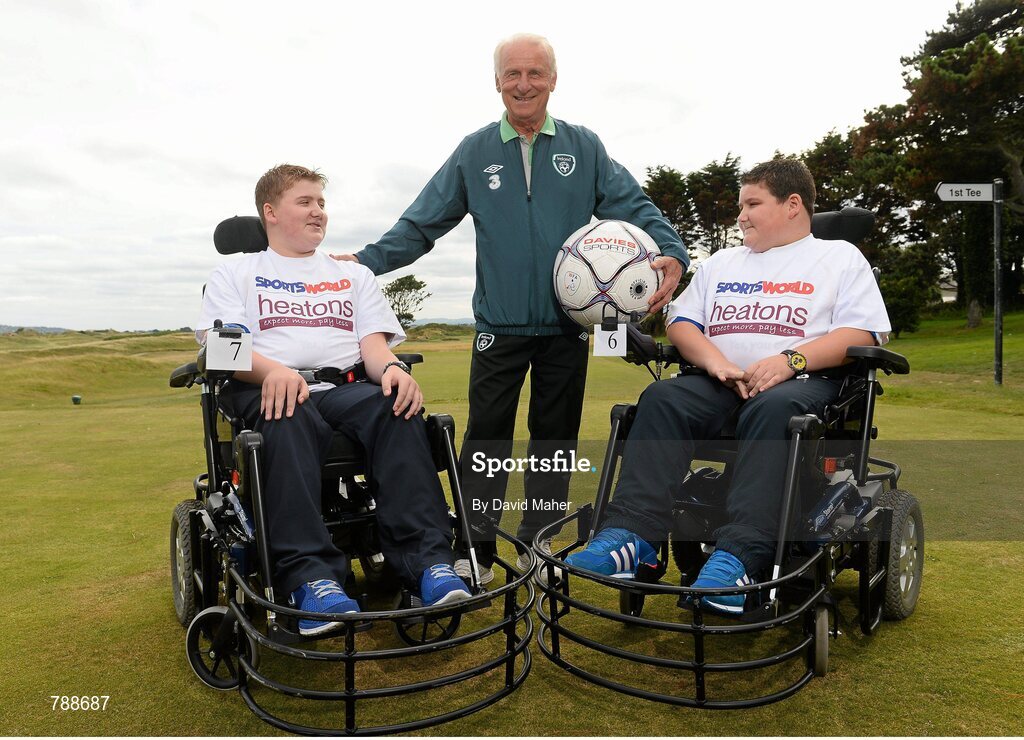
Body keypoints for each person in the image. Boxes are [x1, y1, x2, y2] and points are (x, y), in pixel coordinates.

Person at [333, 33, 687, 582]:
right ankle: (475, 551)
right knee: (487, 441)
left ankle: (537, 546)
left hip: (565, 330)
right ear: (497, 81)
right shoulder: (475, 150)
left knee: (554, 443)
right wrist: (362, 262)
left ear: (552, 79)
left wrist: (672, 252)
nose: (524, 84)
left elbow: (635, 205)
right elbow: (421, 224)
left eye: (535, 73)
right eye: (513, 74)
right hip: (498, 326)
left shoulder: (584, 146)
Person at [566, 159, 891, 614]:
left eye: (752, 204)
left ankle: (742, 556)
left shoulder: (838, 258)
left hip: (803, 383)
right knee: (662, 398)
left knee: (774, 409)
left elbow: (862, 333)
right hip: (721, 381)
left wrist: (788, 361)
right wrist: (717, 363)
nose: (740, 216)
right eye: (741, 205)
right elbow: (681, 322)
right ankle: (633, 534)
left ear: (793, 204)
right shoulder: (723, 262)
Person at [197, 164, 470, 637]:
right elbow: (224, 349)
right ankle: (313, 581)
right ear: (271, 212)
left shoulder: (352, 275)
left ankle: (429, 564)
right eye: (305, 202)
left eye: (321, 202)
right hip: (268, 389)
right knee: (285, 412)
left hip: (344, 388)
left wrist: (393, 371)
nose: (318, 211)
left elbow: (375, 348)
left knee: (396, 406)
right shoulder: (236, 273)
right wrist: (273, 371)